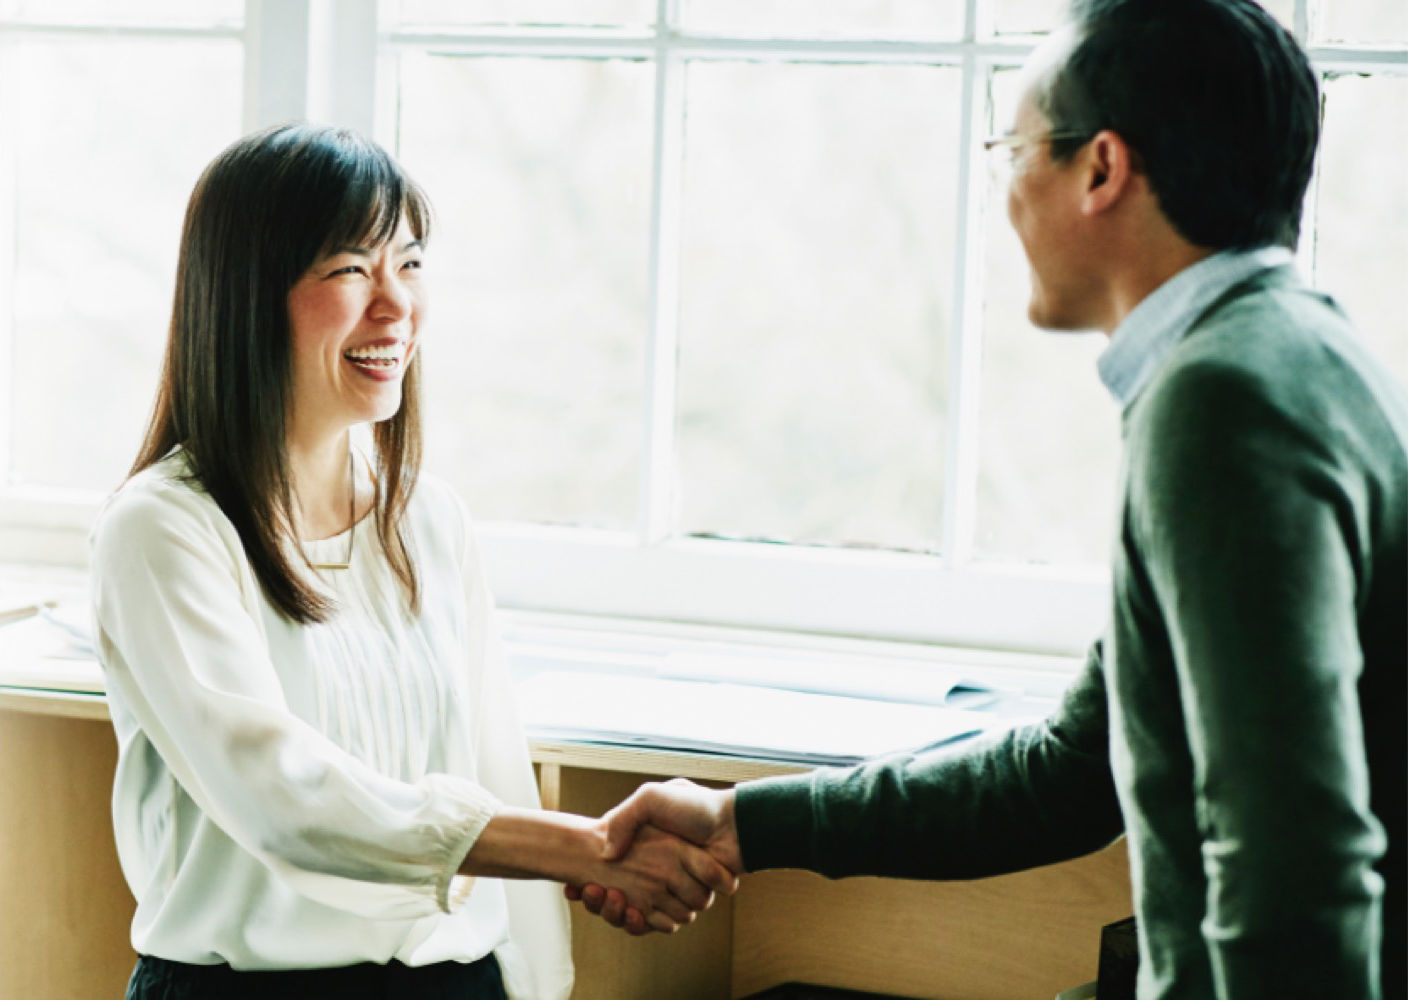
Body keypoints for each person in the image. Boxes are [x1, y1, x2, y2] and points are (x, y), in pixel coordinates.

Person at [568, 2, 1408, 997]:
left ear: (1100, 170)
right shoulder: (1294, 348)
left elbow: (1291, 854)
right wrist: (741, 821)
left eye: (1015, 148)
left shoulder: (1221, 402)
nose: (1004, 191)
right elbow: (1072, 770)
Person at [91, 123, 734, 1000]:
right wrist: (585, 849)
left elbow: (494, 761)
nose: (394, 305)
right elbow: (282, 796)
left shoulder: (427, 517)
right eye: (350, 269)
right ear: (244, 294)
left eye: (411, 262)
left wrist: (542, 985)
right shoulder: (162, 529)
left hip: (453, 984)